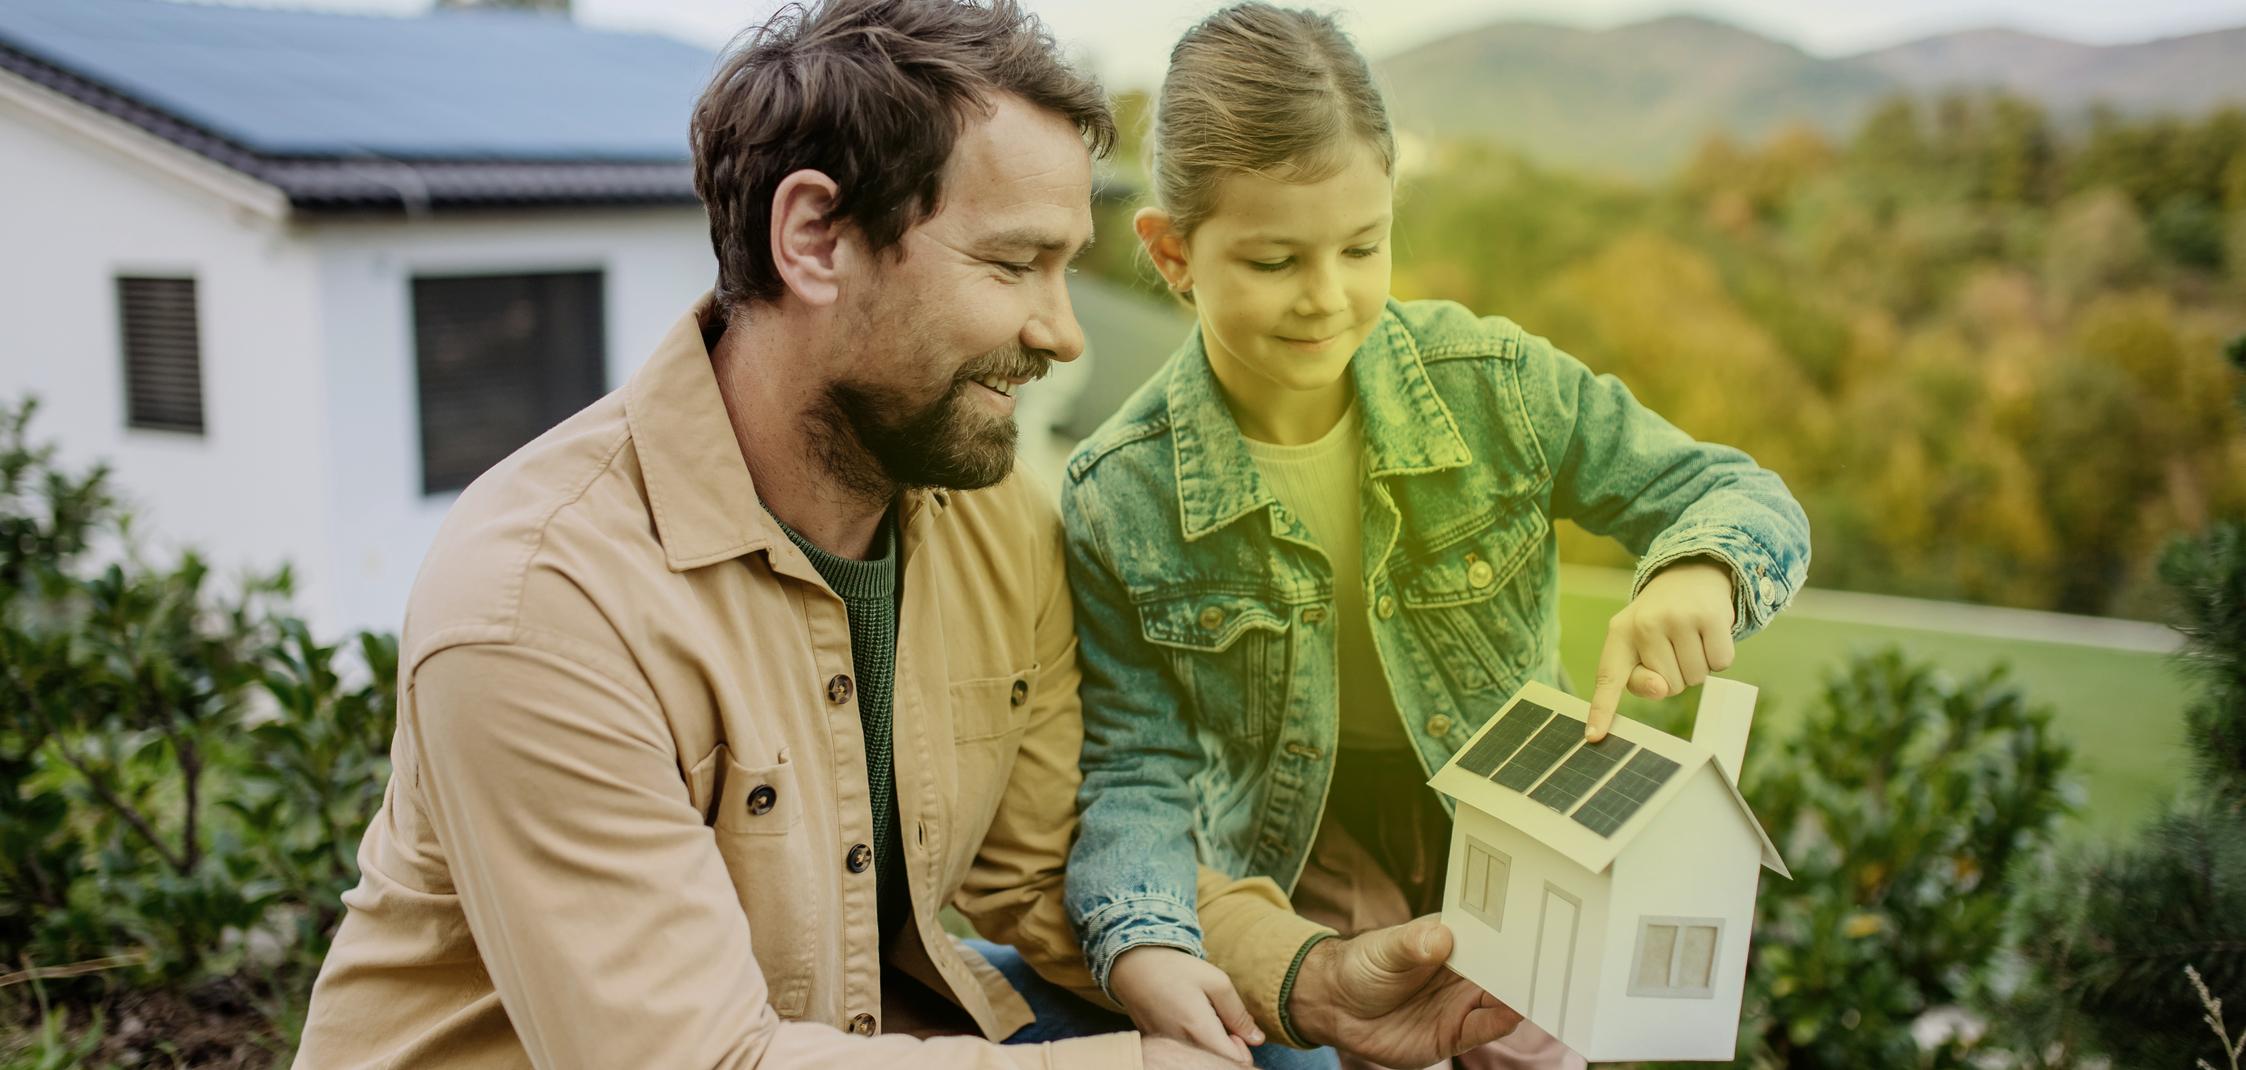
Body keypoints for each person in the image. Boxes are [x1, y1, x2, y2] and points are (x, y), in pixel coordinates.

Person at [292, 1, 1523, 1067]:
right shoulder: (542, 603)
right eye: (1013, 265)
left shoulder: (992, 522)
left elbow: (1051, 861)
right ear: (814, 237)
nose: (1063, 333)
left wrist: (1307, 975)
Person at [1059, 5, 1815, 1068]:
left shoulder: (1492, 385)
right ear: (1173, 252)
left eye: (1361, 246)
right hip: (1294, 855)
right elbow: (1134, 762)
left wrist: (1700, 565)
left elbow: (1734, 490)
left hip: (1518, 819)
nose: (1326, 297)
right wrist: (1140, 933)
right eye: (1275, 260)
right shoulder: (1117, 495)